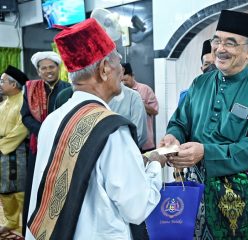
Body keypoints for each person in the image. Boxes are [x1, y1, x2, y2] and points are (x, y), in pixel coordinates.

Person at [26, 18, 165, 240]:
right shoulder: (111, 129)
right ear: (103, 70)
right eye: (118, 63)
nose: (122, 71)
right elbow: (137, 207)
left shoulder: (52, 120)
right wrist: (156, 165)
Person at [161, 10, 248, 239]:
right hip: (196, 188)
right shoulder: (200, 83)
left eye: (230, 43)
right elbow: (179, 122)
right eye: (217, 40)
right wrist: (172, 137)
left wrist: (206, 152)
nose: (220, 48)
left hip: (239, 197)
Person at [20, 50, 70, 235]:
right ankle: (31, 229)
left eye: (51, 67)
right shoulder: (30, 89)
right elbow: (25, 116)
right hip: (37, 147)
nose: (48, 71)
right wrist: (43, 132)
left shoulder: (68, 89)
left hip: (61, 146)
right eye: (44, 68)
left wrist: (55, 134)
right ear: (38, 71)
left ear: (58, 68)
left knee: (59, 185)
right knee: (35, 186)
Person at [0, 66, 28, 234]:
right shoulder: (3, 104)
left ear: (14, 84)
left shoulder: (24, 102)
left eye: (2, 81)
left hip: (17, 154)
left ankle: (26, 224)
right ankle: (11, 222)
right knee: (4, 189)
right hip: (2, 153)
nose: (0, 84)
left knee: (19, 189)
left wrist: (2, 146)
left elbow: (22, 129)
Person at [122, 63, 158, 152]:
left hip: (146, 143)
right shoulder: (119, 92)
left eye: (126, 80)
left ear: (132, 75)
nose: (124, 83)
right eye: (121, 80)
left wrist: (139, 103)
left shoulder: (145, 89)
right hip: (127, 143)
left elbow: (155, 111)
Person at [109, 81, 148, 149]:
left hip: (126, 152)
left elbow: (139, 134)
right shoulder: (93, 96)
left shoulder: (133, 96)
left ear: (121, 72)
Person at [178, 39, 216, 106]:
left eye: (215, 63)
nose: (212, 67)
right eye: (207, 64)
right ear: (202, 69)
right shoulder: (188, 96)